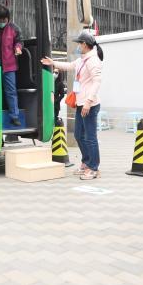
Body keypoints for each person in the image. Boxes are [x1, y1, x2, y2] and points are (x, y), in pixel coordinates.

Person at [42, 32, 103, 180]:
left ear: (85, 45)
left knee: (90, 137)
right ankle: (86, 163)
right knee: (78, 135)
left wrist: (88, 102)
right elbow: (70, 65)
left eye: (79, 43)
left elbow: (97, 81)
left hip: (89, 105)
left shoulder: (93, 60)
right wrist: (53, 63)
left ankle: (93, 168)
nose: (78, 46)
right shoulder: (82, 59)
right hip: (80, 104)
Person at [0, 6, 24, 126]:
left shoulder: (14, 28)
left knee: (11, 91)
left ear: (8, 18)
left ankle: (14, 116)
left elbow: (19, 41)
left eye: (4, 20)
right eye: (0, 20)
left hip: (9, 66)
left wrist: (18, 47)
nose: (2, 22)